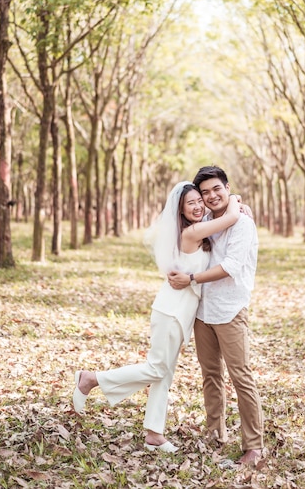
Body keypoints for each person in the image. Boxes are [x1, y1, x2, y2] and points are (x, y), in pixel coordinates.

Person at [72, 181, 241, 453]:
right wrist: (236, 199)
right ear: (181, 210)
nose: (198, 206)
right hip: (170, 310)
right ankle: (92, 379)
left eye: (200, 200)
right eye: (191, 203)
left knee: (165, 373)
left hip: (181, 313)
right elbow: (232, 216)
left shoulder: (194, 230)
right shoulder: (192, 233)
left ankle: (154, 433)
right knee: (157, 369)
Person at [168, 166, 264, 465]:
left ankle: (255, 445)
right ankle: (215, 434)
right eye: (205, 192)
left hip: (230, 309)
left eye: (217, 190)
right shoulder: (207, 220)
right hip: (203, 311)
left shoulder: (242, 224)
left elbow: (231, 267)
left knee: (240, 376)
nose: (210, 196)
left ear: (227, 187)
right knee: (210, 375)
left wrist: (192, 278)